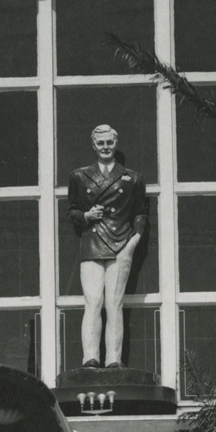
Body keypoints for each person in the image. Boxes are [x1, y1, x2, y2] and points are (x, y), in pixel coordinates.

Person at [65, 124, 147, 369]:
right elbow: (72, 211)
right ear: (93, 145)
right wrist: (87, 216)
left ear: (116, 143)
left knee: (114, 304)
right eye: (100, 143)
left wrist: (134, 240)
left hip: (122, 241)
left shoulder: (132, 178)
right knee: (92, 302)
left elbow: (140, 214)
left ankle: (113, 358)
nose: (105, 147)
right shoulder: (79, 176)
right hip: (92, 241)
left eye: (109, 142)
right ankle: (90, 357)